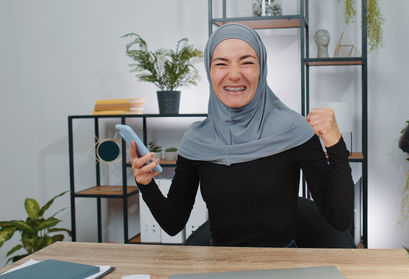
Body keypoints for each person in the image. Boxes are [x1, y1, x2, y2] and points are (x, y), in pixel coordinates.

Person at [131, 23, 354, 248]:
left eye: (247, 62)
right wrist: (146, 184)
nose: (234, 75)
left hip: (281, 265)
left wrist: (335, 144)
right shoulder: (196, 139)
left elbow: (339, 218)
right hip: (221, 265)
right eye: (221, 64)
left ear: (262, 68)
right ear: (210, 72)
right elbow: (172, 223)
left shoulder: (294, 130)